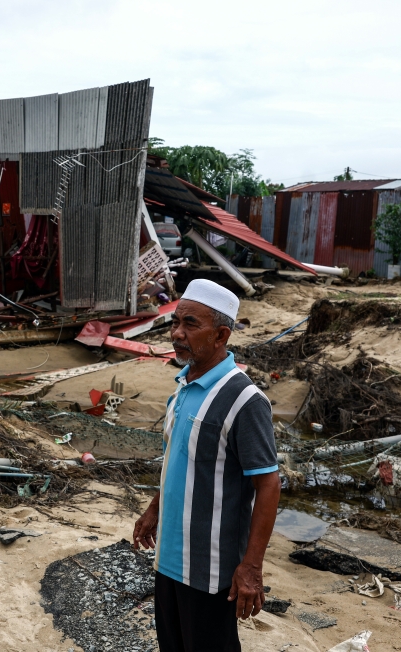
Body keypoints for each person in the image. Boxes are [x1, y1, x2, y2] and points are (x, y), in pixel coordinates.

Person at [132, 279, 281, 652]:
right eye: (175, 322)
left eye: (191, 325)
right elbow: (177, 459)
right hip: (168, 559)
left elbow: (269, 484)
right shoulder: (183, 386)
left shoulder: (245, 399)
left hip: (210, 570)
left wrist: (251, 569)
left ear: (221, 335)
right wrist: (153, 509)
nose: (177, 334)